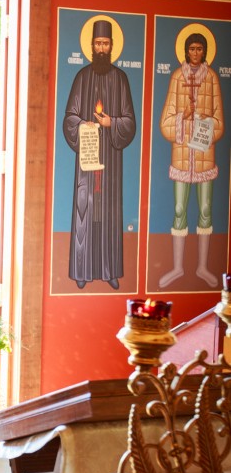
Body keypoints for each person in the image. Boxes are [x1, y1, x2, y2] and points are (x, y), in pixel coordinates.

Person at [62, 18, 136, 291]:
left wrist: (110, 123)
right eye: (97, 43)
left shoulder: (121, 78)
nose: (101, 47)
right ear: (91, 46)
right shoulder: (82, 77)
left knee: (108, 213)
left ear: (112, 46)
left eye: (105, 43)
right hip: (87, 157)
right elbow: (69, 117)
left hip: (111, 162)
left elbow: (130, 122)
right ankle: (82, 270)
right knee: (85, 210)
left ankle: (109, 271)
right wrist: (84, 125)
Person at [159, 30, 224, 288]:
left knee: (206, 211)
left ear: (204, 51)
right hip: (182, 158)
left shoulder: (212, 78)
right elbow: (165, 125)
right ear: (186, 51)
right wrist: (183, 118)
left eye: (199, 48)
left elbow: (220, 124)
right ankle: (176, 267)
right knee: (178, 210)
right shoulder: (177, 77)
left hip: (205, 158)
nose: (195, 53)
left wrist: (205, 125)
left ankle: (203, 267)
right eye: (192, 48)